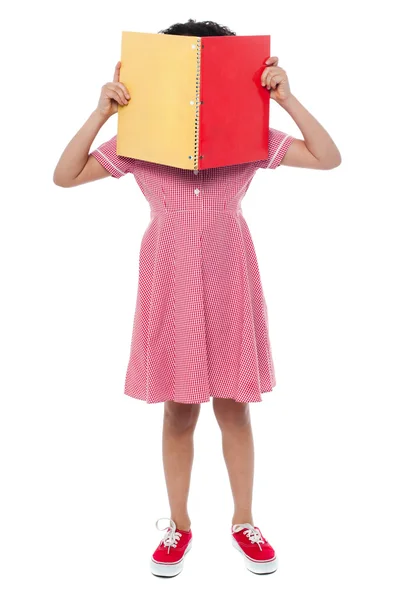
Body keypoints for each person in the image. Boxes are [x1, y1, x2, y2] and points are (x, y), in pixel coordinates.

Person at [53, 18, 341, 577]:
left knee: (235, 408)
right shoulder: (142, 141)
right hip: (169, 279)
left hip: (230, 276)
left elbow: (327, 158)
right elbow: (65, 176)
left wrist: (286, 98)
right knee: (179, 411)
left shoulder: (248, 139)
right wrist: (103, 112)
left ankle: (244, 520)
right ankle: (178, 525)